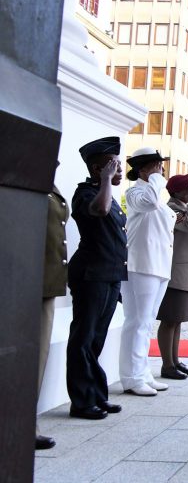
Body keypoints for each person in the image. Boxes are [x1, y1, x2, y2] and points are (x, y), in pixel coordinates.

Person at [66, 137, 126, 420]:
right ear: (97, 168)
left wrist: (106, 182)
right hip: (91, 274)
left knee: (96, 338)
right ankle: (81, 401)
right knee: (83, 337)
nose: (119, 169)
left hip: (109, 274)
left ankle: (96, 395)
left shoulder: (108, 196)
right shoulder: (86, 194)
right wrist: (105, 180)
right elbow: (99, 211)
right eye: (113, 165)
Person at [120, 147, 175, 396]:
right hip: (141, 264)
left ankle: (142, 373)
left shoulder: (155, 193)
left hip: (158, 264)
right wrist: (155, 178)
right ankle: (132, 377)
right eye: (156, 165)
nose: (161, 169)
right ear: (143, 169)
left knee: (146, 321)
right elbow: (149, 203)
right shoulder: (135, 192)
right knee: (138, 322)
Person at [156, 174, 188, 381]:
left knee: (178, 320)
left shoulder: (183, 209)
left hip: (186, 273)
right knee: (169, 320)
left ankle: (174, 361)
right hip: (176, 274)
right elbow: (186, 226)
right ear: (177, 192)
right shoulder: (172, 209)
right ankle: (167, 365)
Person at [36, 175, 70, 448]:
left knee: (38, 355)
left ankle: (26, 422)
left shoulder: (48, 183)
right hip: (22, 278)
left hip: (46, 281)